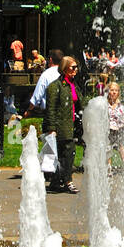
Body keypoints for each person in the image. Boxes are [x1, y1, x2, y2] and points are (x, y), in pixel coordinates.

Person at [43, 56, 82, 194]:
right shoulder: (55, 86)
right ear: (64, 68)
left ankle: (55, 181)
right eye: (73, 67)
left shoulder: (73, 84)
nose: (75, 70)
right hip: (61, 126)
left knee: (66, 154)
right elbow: (51, 108)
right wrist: (51, 128)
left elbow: (78, 104)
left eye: (76, 67)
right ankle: (68, 181)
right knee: (64, 154)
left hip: (71, 125)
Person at [27, 49, 64, 116]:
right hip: (64, 112)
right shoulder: (65, 73)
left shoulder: (46, 74)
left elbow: (37, 96)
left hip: (49, 113)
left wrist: (29, 110)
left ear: (50, 60)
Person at [106, 81, 124, 172]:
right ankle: (108, 168)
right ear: (108, 92)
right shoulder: (105, 105)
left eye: (116, 90)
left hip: (119, 129)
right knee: (108, 148)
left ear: (118, 92)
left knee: (122, 147)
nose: (114, 92)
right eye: (112, 90)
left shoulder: (121, 106)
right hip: (108, 129)